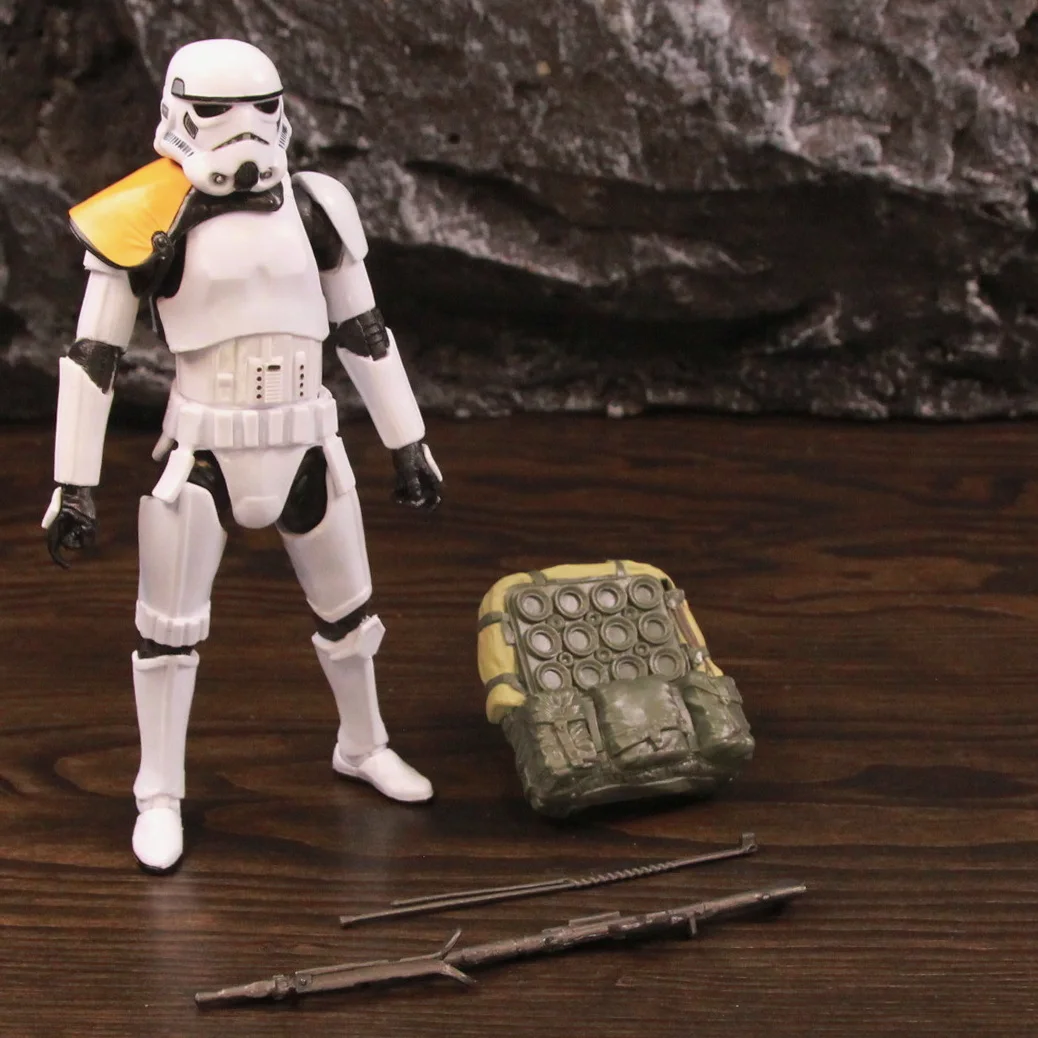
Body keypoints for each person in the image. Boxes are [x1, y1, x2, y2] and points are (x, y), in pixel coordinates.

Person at [43, 38, 442, 873]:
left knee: (351, 615)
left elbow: (363, 330)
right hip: (205, 453)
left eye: (263, 108)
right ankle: (158, 791)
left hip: (307, 442)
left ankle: (364, 744)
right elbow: (92, 357)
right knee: (167, 635)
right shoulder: (143, 213)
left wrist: (408, 441)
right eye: (219, 111)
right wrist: (72, 483)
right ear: (178, 113)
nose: (245, 128)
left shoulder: (318, 206)